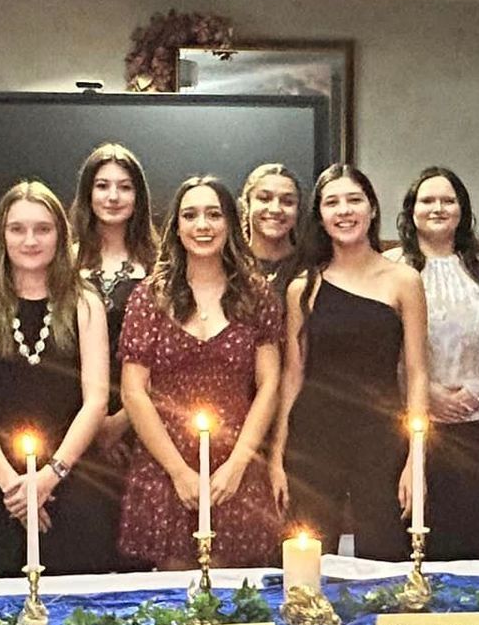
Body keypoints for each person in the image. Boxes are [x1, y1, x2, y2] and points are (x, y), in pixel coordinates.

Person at [118, 176, 284, 570]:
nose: (202, 225)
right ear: (176, 226)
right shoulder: (149, 296)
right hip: (166, 461)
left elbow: (270, 383)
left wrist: (238, 463)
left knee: (236, 605)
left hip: (235, 460)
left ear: (231, 223)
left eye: (214, 214)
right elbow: (134, 391)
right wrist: (178, 471)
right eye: (190, 215)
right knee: (177, 605)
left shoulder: (256, 294)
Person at [0, 182, 108, 576]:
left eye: (43, 228)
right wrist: (15, 488)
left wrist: (49, 478)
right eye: (17, 228)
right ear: (1, 235)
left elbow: (96, 401)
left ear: (61, 234)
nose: (30, 240)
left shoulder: (85, 304)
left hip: (72, 481)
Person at [273, 165, 429, 559]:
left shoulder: (404, 280)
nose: (344, 211)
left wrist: (417, 457)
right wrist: (277, 454)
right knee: (306, 559)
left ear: (372, 209)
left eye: (354, 200)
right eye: (332, 202)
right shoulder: (301, 288)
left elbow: (417, 374)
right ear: (321, 217)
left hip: (381, 436)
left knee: (386, 555)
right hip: (313, 435)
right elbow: (293, 375)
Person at [386, 166, 479, 560]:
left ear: (462, 210)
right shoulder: (391, 267)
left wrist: (475, 394)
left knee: (467, 539)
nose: (438, 208)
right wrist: (426, 395)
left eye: (448, 200)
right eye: (428, 200)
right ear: (411, 210)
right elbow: (380, 348)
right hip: (410, 427)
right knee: (412, 539)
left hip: (476, 428)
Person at [68, 142, 160, 568]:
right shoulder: (62, 263)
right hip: (73, 424)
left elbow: (170, 354)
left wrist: (121, 422)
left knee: (134, 552)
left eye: (124, 187)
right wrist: (92, 423)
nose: (112, 196)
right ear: (87, 194)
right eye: (102, 186)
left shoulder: (161, 265)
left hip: (142, 424)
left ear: (139, 197)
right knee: (81, 548)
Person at [240, 162, 303, 290]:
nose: (275, 209)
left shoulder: (311, 268)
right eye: (264, 198)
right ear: (246, 205)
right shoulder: (230, 265)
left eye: (287, 202)